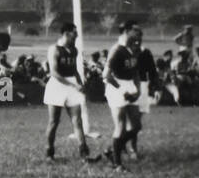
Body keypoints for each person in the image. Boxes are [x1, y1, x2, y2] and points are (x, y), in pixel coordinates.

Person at [44, 22, 93, 161]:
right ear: (66, 33)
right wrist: (73, 84)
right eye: (74, 32)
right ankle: (49, 153)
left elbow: (74, 69)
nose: (77, 35)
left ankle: (84, 153)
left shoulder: (74, 49)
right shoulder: (54, 49)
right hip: (57, 86)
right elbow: (54, 73)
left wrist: (80, 83)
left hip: (71, 86)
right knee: (54, 121)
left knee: (77, 120)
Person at [102, 24, 145, 169]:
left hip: (130, 86)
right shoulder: (116, 50)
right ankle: (117, 163)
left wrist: (138, 90)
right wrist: (122, 90)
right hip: (116, 88)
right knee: (120, 126)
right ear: (127, 32)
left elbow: (136, 72)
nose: (138, 33)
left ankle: (111, 150)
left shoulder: (132, 49)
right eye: (134, 30)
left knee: (136, 125)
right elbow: (106, 75)